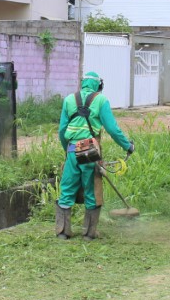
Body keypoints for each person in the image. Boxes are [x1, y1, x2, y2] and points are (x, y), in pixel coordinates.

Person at [56, 71, 133, 241]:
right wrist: (127, 146)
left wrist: (67, 150)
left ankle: (63, 232)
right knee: (91, 190)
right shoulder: (101, 100)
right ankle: (89, 234)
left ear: (83, 84)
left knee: (67, 189)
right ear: (99, 85)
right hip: (90, 152)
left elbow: (62, 130)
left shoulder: (69, 100)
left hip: (71, 150)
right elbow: (113, 129)